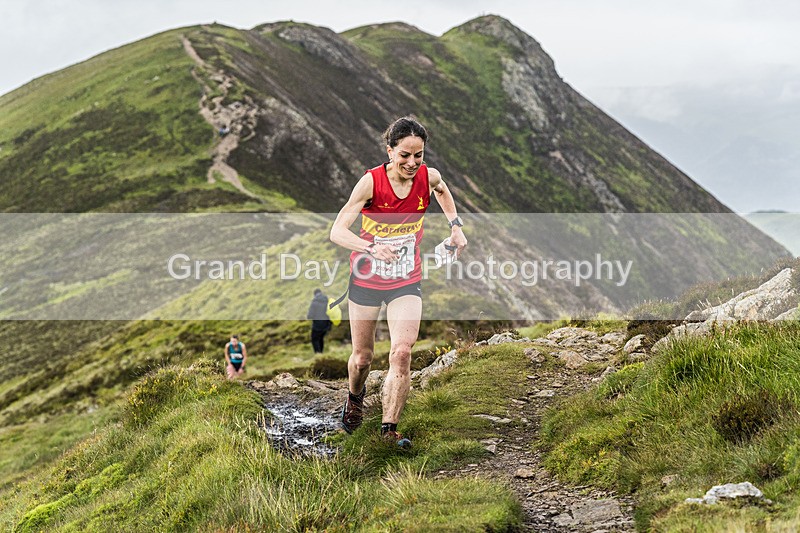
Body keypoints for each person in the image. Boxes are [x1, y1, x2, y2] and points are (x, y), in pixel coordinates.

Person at [329, 116, 467, 448]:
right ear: (390, 151)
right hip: (366, 278)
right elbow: (337, 231)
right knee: (362, 358)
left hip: (406, 279)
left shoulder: (427, 176)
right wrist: (372, 247)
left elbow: (442, 189)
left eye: (418, 155)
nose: (411, 163)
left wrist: (456, 226)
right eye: (404, 155)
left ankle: (388, 430)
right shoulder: (371, 183)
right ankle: (355, 396)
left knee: (402, 352)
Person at [307, 288, 333, 353]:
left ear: (315, 294)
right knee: (321, 338)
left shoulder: (314, 302)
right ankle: (321, 353)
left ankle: (318, 353)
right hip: (326, 324)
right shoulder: (327, 301)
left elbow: (310, 315)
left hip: (317, 325)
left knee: (315, 339)